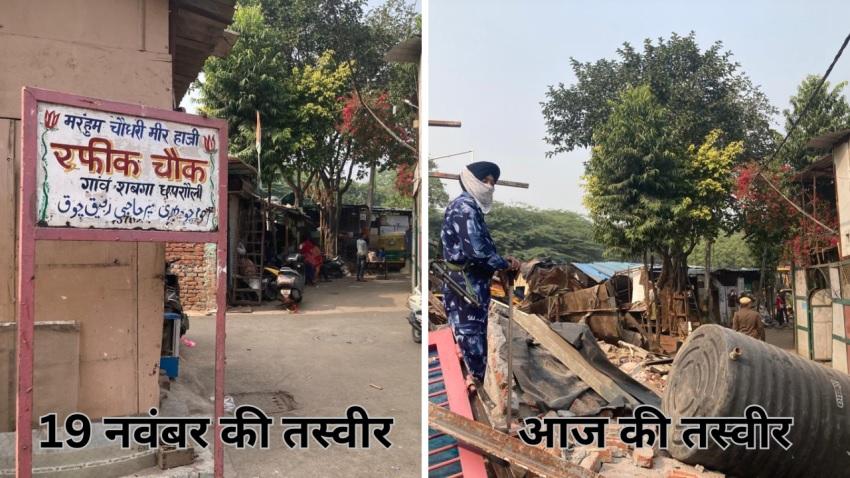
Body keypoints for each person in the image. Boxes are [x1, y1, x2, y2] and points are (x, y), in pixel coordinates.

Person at [441, 161, 520, 385]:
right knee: (471, 341)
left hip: (473, 284)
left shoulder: (471, 208)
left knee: (475, 337)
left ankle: (475, 386)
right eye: (484, 181)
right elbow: (477, 251)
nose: (489, 186)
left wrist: (501, 263)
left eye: (492, 183)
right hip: (465, 285)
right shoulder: (465, 207)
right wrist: (504, 264)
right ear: (471, 181)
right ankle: (473, 393)